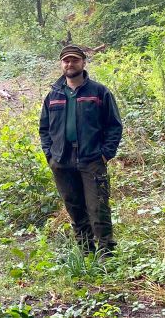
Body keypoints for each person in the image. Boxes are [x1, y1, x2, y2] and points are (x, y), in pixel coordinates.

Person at [39, 44, 122, 255]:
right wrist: (50, 155)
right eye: (66, 60)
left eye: (74, 60)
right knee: (74, 207)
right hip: (62, 160)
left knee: (98, 207)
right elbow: (44, 128)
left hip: (92, 159)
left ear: (83, 63)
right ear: (61, 64)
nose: (70, 64)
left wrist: (105, 153)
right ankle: (85, 251)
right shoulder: (53, 95)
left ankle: (106, 253)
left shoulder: (99, 92)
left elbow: (114, 125)